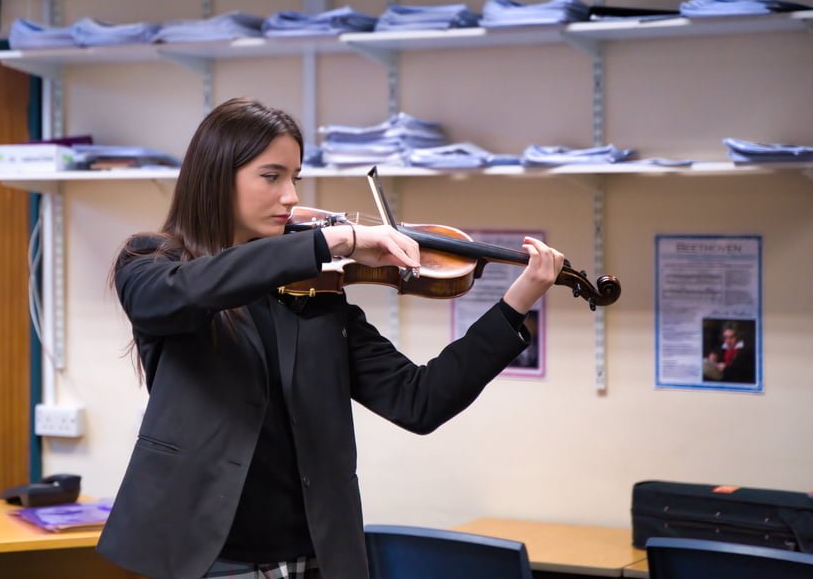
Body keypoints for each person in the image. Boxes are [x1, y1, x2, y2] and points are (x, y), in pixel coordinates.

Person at [97, 97, 565, 579]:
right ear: (217, 176)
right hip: (208, 561)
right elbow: (190, 291)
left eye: (294, 177)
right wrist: (333, 240)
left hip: (318, 559)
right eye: (271, 175)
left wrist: (515, 304)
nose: (291, 197)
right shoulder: (152, 264)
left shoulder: (315, 297)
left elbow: (419, 401)